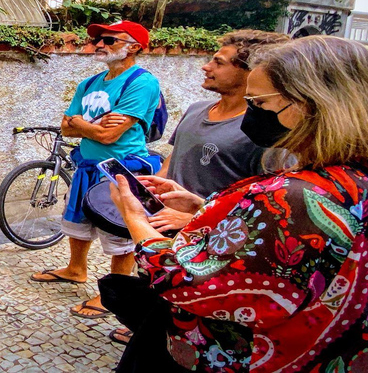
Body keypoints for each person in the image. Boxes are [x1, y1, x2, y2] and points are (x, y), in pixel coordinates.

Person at [103, 35, 368, 372]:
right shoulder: (350, 180)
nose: (251, 111)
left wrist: (133, 215)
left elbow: (184, 279)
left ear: (308, 104)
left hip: (242, 357)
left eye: (258, 102)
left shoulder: (289, 195)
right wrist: (204, 208)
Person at [108, 29, 291, 345]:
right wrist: (148, 194)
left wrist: (198, 219)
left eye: (218, 62)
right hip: (164, 229)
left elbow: (265, 208)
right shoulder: (195, 109)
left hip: (213, 244)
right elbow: (172, 161)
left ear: (251, 72)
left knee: (190, 314)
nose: (206, 66)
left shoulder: (265, 129)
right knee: (157, 295)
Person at [30, 20, 161, 319]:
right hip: (86, 165)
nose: (100, 45)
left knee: (120, 232)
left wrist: (83, 125)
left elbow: (108, 136)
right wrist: (91, 125)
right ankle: (76, 270)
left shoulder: (141, 82)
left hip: (120, 169)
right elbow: (67, 126)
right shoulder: (87, 84)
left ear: (134, 47)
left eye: (110, 40)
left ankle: (115, 294)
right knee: (77, 222)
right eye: (99, 40)